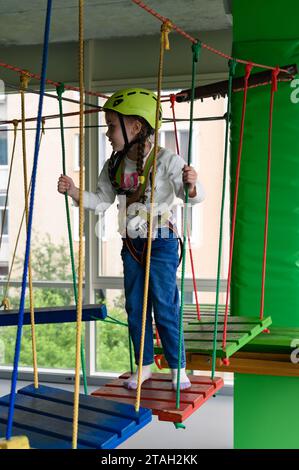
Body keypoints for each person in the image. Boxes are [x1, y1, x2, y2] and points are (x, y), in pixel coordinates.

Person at [58, 88, 205, 390]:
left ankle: (177, 368)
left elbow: (190, 197)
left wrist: (191, 186)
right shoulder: (113, 165)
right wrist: (74, 191)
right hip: (131, 245)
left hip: (161, 241)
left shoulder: (166, 161)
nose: (108, 133)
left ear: (136, 127)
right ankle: (145, 365)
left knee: (165, 305)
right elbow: (101, 201)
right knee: (136, 307)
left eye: (112, 125)